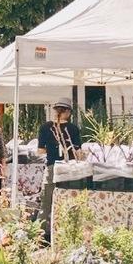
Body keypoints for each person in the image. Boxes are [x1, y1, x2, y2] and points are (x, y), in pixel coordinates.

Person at [37, 98, 82, 235]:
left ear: (55, 110)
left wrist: (52, 150)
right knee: (68, 200)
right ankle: (66, 233)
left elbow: (40, 151)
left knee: (46, 203)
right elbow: (78, 153)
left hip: (52, 167)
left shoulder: (45, 127)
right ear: (68, 112)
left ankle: (40, 234)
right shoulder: (73, 129)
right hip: (69, 169)